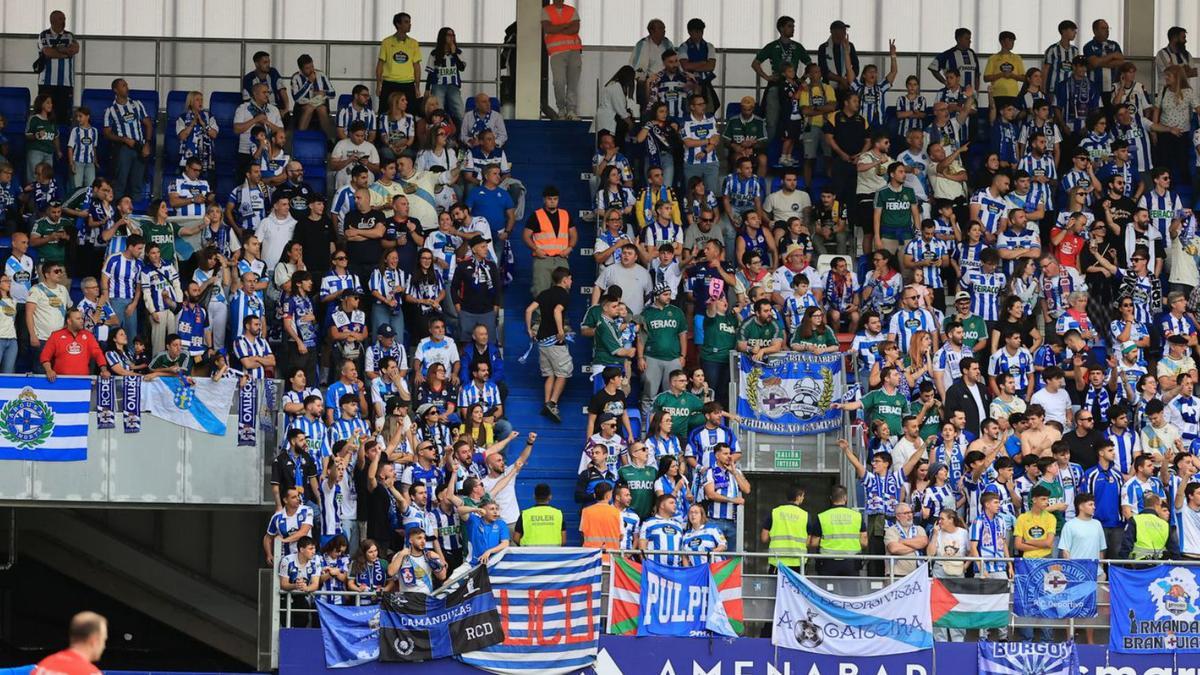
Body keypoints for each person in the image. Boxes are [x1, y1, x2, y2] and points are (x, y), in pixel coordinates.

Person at [752, 16, 809, 140]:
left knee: (793, 120)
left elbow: (809, 65)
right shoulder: (772, 46)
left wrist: (802, 79)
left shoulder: (798, 46)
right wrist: (767, 77)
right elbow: (755, 63)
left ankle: (789, 153)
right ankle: (771, 151)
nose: (793, 28)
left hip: (793, 88)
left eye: (793, 26)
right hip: (776, 86)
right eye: (790, 26)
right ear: (781, 28)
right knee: (772, 121)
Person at [102, 78, 153, 201]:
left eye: (126, 85)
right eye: (123, 85)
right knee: (120, 182)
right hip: (123, 149)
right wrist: (123, 139)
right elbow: (107, 133)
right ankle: (117, 213)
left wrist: (147, 144)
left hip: (139, 147)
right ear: (116, 90)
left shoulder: (136, 104)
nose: (127, 88)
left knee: (137, 182)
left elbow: (148, 124)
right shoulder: (111, 110)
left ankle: (135, 214)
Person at [808, 485, 865, 576]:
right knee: (851, 589)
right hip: (851, 562)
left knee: (826, 590)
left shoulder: (822, 516)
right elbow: (864, 542)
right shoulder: (857, 516)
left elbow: (814, 543)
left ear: (831, 498)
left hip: (827, 563)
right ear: (845, 498)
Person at [541, 0, 582, 120]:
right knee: (559, 82)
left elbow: (574, 29)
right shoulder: (546, 11)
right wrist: (565, 25)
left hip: (574, 51)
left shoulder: (571, 10)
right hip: (557, 53)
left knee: (572, 84)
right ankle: (561, 109)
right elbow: (548, 28)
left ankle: (571, 111)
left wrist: (557, 27)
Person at [36, 10, 79, 126]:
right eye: (61, 19)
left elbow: (75, 49)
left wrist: (58, 50)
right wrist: (65, 53)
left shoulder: (70, 35)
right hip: (46, 83)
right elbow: (47, 52)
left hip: (65, 83)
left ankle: (60, 141)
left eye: (64, 19)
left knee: (63, 115)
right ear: (52, 20)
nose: (64, 21)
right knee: (44, 114)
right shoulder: (44, 34)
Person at [33, 611, 107, 675]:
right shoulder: (90, 673)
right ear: (94, 640)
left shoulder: (44, 665)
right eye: (103, 639)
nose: (104, 646)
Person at [376, 13, 422, 111]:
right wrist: (378, 85)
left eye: (409, 22)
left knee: (410, 112)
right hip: (389, 83)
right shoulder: (386, 42)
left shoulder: (414, 43)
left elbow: (416, 66)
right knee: (385, 112)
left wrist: (417, 87)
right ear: (398, 24)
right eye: (406, 22)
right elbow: (380, 64)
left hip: (408, 83)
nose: (409, 24)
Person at [761, 484, 809, 572]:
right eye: (803, 496)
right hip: (798, 563)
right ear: (798, 497)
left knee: (775, 586)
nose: (803, 498)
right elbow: (808, 541)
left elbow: (764, 538)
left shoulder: (774, 512)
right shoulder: (805, 515)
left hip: (777, 562)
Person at [1120, 492, 1175, 560]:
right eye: (1160, 506)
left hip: (1138, 565)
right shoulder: (1164, 524)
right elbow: (1174, 549)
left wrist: (1123, 566)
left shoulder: (1135, 520)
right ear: (1157, 505)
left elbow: (1126, 545)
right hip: (1159, 566)